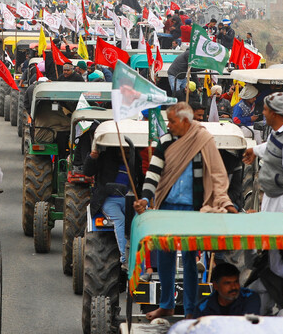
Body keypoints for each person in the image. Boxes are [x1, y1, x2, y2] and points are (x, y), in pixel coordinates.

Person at [136, 102, 237, 320]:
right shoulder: (164, 141)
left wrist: (224, 201)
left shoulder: (202, 140)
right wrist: (145, 198)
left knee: (192, 259)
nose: (169, 125)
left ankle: (191, 310)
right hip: (167, 206)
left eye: (172, 121)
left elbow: (218, 173)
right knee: (165, 257)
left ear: (184, 121)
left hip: (194, 208)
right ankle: (167, 305)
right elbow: (153, 173)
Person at [242, 92, 283, 278]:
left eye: (265, 110)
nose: (263, 112)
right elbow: (270, 147)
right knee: (271, 250)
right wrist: (254, 150)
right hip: (274, 196)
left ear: (275, 114)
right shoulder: (278, 132)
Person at [84, 144, 134, 264]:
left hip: (130, 199)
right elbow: (88, 171)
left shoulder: (135, 161)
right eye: (124, 151)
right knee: (120, 220)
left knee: (140, 221)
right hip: (110, 199)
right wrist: (92, 157)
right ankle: (125, 257)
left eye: (128, 152)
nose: (126, 154)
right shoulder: (105, 158)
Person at [193, 263, 261, 317]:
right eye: (227, 283)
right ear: (216, 286)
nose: (233, 287)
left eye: (236, 282)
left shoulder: (250, 298)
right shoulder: (202, 308)